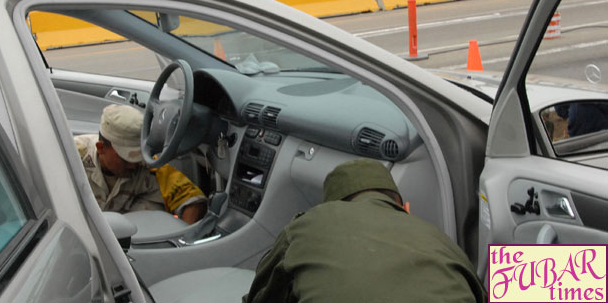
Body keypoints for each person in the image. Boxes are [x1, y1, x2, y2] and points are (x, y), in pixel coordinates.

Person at [244, 158, 486, 303]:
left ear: (334, 206)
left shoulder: (308, 225)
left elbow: (261, 296)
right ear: (405, 208)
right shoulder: (442, 241)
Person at [74, 104, 207, 224]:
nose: (133, 165)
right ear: (101, 148)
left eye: (138, 157)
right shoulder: (70, 157)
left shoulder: (147, 165)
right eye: (126, 159)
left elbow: (193, 199)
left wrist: (182, 245)